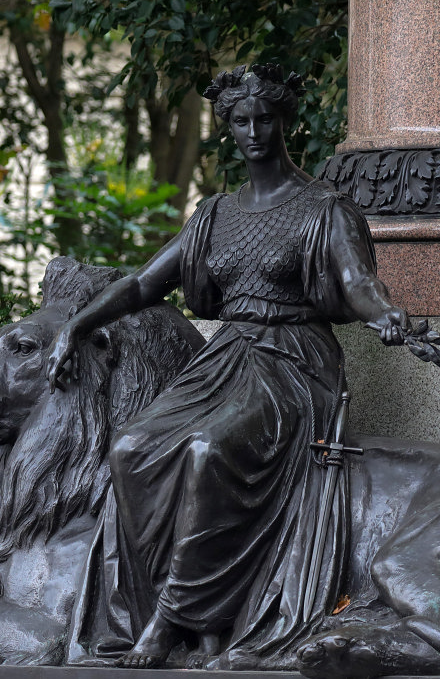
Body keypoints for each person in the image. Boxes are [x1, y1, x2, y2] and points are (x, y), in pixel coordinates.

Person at [46, 63, 409, 671]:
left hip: (294, 360)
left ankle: (176, 620)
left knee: (209, 450)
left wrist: (388, 317)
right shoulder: (214, 215)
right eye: (241, 121)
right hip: (225, 358)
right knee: (132, 448)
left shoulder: (325, 208)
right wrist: (76, 327)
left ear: (285, 122)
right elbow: (141, 283)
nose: (253, 131)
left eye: (265, 119)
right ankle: (149, 612)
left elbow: (357, 282)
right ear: (227, 128)